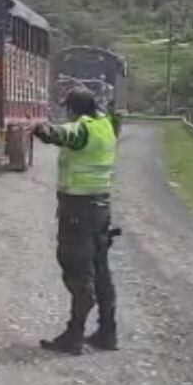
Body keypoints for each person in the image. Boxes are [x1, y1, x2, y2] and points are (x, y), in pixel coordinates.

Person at [32, 87, 119, 354]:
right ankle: (107, 333)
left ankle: (74, 336)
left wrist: (38, 127)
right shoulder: (106, 126)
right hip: (101, 208)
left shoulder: (82, 129)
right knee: (101, 271)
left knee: (78, 273)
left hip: (78, 211)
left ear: (73, 109)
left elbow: (61, 134)